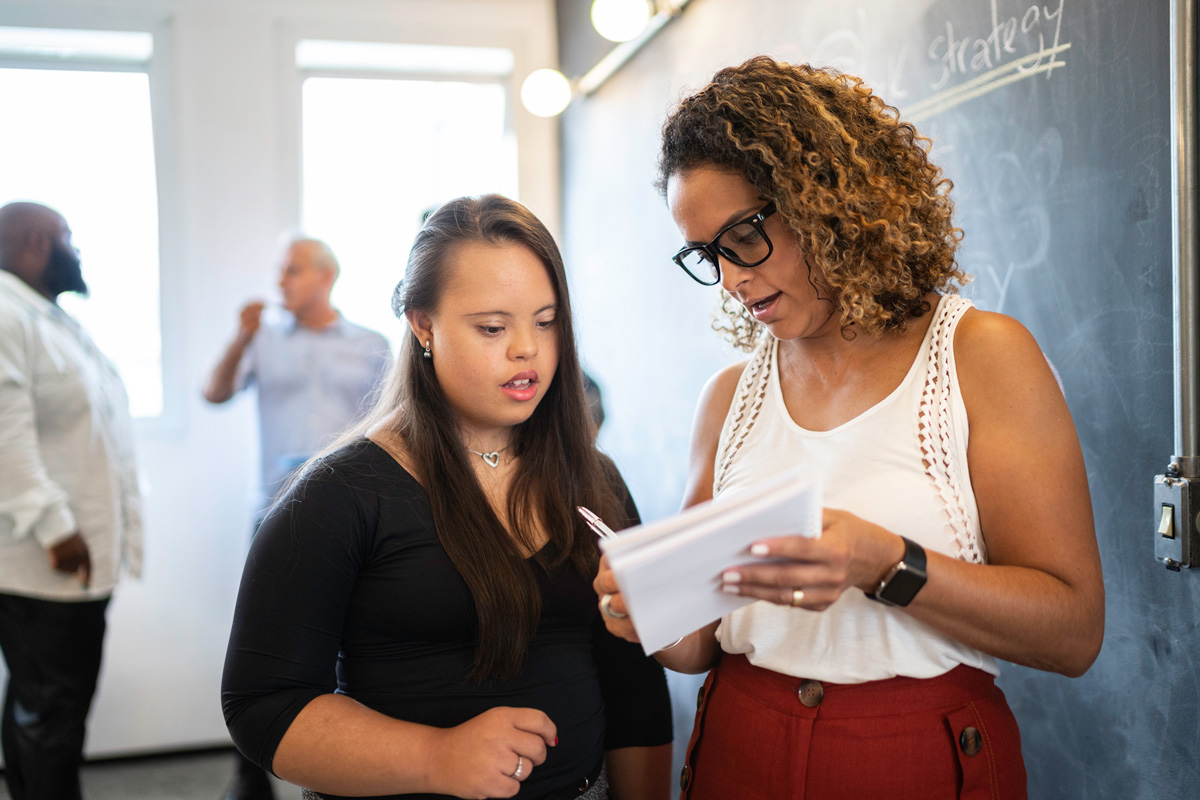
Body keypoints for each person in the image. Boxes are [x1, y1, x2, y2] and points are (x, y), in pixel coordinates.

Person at [593, 57, 1105, 799]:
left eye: (742, 237)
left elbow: (1073, 631)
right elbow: (700, 641)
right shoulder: (730, 396)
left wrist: (886, 563)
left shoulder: (982, 358)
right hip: (736, 749)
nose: (732, 279)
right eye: (707, 256)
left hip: (919, 757)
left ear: (823, 200)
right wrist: (645, 611)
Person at [221, 195, 673, 800]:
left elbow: (632, 684)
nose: (527, 350)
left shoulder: (595, 480)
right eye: (493, 327)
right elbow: (263, 705)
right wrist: (436, 757)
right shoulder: (338, 495)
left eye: (545, 321)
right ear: (423, 324)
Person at [204, 236, 390, 800]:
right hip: (273, 508)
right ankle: (250, 770)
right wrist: (241, 335)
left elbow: (395, 419)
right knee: (265, 642)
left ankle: (345, 757)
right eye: (280, 271)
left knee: (346, 638)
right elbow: (214, 392)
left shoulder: (371, 344)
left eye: (292, 271)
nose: (280, 280)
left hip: (352, 515)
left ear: (325, 277)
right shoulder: (261, 340)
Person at [0, 201, 143, 800]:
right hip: (43, 562)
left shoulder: (48, 319)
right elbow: (4, 434)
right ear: (38, 240)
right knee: (50, 714)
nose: (76, 251)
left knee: (51, 709)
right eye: (69, 239)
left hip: (75, 559)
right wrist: (56, 527)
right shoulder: (6, 315)